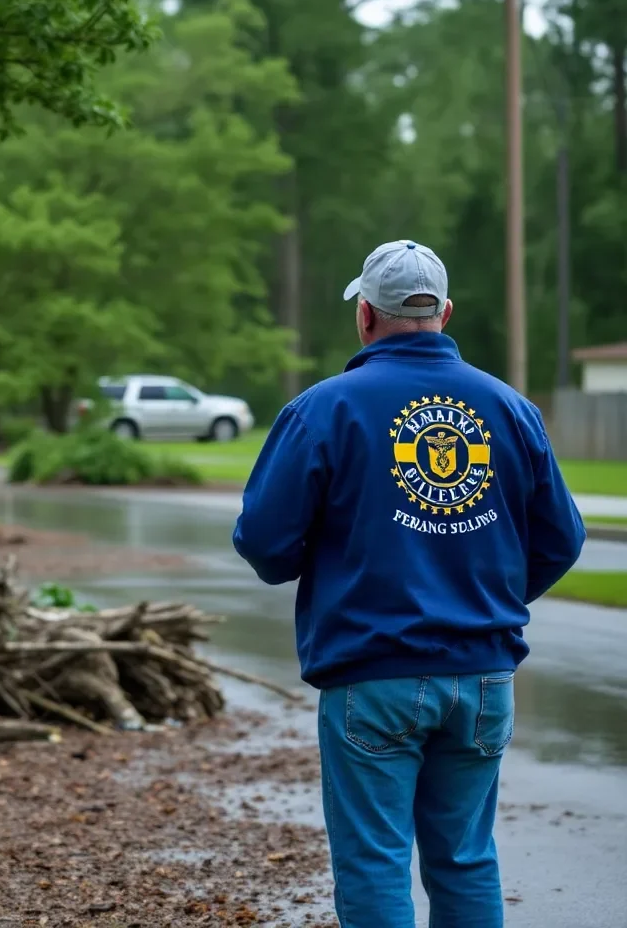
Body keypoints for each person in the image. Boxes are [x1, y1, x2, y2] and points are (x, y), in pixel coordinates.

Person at [232, 240, 586, 928]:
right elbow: (562, 541)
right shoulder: (511, 409)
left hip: (372, 674)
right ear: (445, 313)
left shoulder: (323, 409)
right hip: (483, 677)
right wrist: (488, 596)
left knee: (375, 863)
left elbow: (265, 545)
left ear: (365, 315)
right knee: (466, 858)